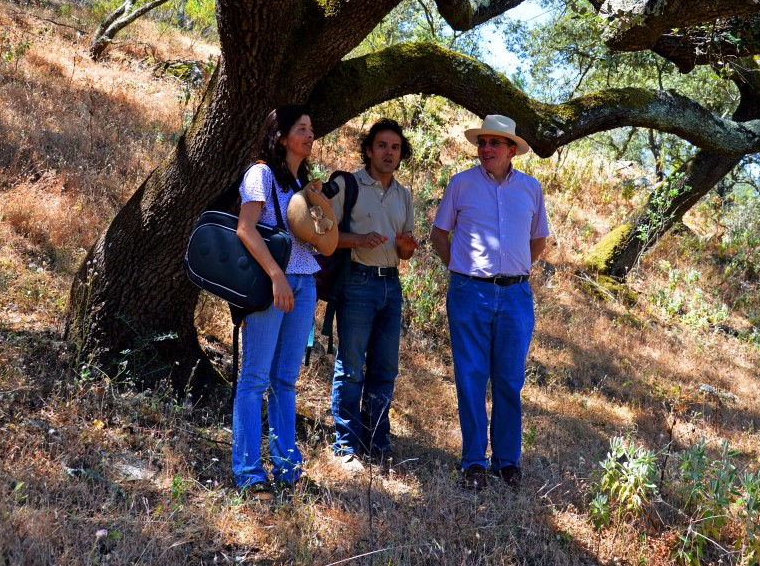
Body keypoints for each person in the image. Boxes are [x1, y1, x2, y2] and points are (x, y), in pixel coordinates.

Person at [430, 114, 550, 490]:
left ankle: (507, 462)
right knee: (470, 377)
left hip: (516, 295)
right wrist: (463, 270)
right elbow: (438, 235)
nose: (486, 149)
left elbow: (538, 241)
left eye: (494, 143)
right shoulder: (461, 184)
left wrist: (512, 271)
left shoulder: (531, 188)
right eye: (482, 143)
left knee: (509, 379)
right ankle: (473, 463)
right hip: (469, 293)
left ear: (512, 150)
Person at [233, 104, 323, 501]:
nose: (310, 134)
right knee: (254, 379)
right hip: (275, 284)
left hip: (305, 284)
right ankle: (250, 472)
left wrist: (319, 206)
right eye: (301, 128)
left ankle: (288, 467)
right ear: (281, 136)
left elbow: (320, 239)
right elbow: (245, 229)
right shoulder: (261, 173)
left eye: (311, 128)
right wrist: (275, 275)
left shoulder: (301, 183)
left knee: (285, 380)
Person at [330, 118, 418, 466]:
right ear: (368, 149)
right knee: (351, 367)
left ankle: (377, 441)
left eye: (395, 147)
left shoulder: (404, 195)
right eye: (382, 145)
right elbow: (322, 234)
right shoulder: (347, 184)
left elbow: (405, 251)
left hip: (390, 285)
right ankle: (346, 446)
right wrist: (357, 240)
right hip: (356, 282)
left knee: (385, 369)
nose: (388, 152)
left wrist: (407, 247)